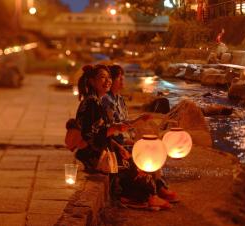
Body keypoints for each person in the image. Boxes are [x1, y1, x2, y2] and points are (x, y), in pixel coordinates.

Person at [75, 64, 172, 210]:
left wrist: (118, 147)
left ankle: (151, 194)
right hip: (93, 155)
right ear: (91, 81)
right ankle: (142, 197)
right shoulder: (91, 103)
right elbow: (89, 136)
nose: (107, 81)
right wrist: (114, 130)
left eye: (108, 78)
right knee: (133, 164)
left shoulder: (97, 101)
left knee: (134, 158)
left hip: (104, 148)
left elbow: (103, 133)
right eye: (102, 77)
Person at [102, 64, 178, 204]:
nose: (123, 80)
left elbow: (124, 121)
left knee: (153, 147)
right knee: (147, 149)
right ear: (111, 80)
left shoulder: (119, 99)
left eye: (123, 77)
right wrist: (127, 139)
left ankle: (159, 186)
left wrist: (139, 118)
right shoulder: (106, 100)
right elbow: (113, 127)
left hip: (125, 138)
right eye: (120, 77)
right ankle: (153, 190)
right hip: (116, 142)